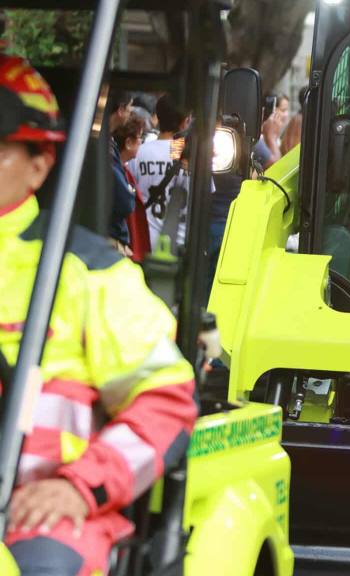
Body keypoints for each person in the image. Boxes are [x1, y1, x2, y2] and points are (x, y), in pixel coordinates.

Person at [0, 54, 197, 576]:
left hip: (34, 513)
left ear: (40, 165)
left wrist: (77, 485)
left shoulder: (86, 272)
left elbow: (164, 401)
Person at [128, 94, 191, 249]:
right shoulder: (191, 155)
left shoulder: (139, 152)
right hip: (179, 245)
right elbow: (206, 195)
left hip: (143, 242)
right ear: (185, 122)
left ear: (157, 117)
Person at [111, 114, 150, 262]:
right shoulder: (116, 167)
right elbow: (126, 202)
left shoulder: (126, 166)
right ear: (128, 142)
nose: (141, 142)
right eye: (140, 137)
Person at [106, 90, 135, 253]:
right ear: (121, 110)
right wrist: (128, 190)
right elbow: (125, 201)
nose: (130, 113)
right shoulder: (105, 147)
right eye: (129, 108)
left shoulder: (108, 142)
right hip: (110, 239)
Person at [254, 94, 289, 169]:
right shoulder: (258, 138)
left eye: (287, 110)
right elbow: (276, 166)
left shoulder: (278, 137)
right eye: (283, 110)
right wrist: (271, 137)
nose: (286, 114)